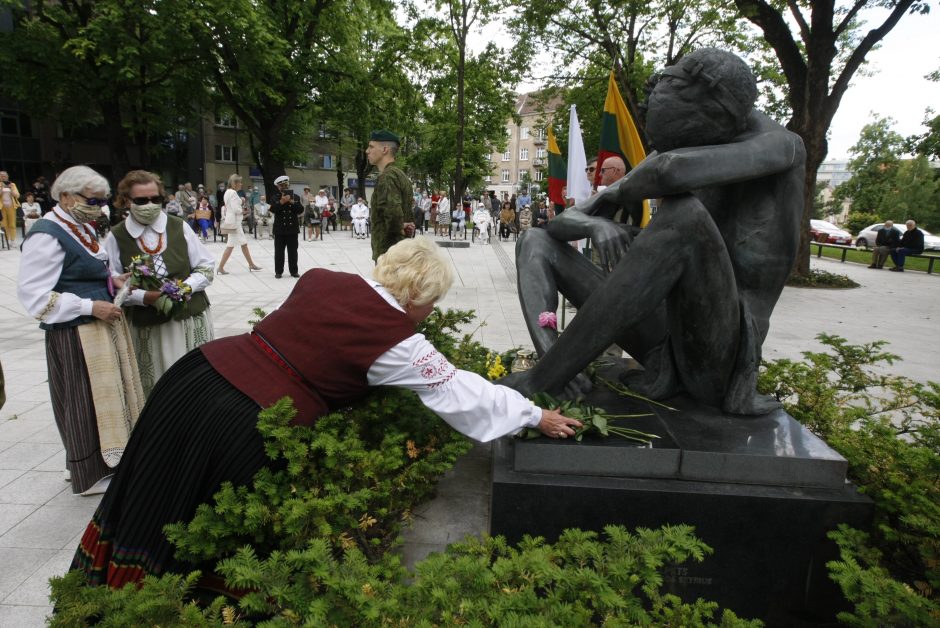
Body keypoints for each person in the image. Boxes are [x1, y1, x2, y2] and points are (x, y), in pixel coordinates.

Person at [71, 237, 582, 588]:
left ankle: (106, 589)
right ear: (417, 296)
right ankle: (162, 600)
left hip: (196, 376)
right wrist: (533, 415)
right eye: (433, 303)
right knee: (195, 514)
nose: (432, 314)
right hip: (244, 418)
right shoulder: (400, 343)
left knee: (148, 490)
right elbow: (460, 392)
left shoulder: (320, 278)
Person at [505, 48, 805, 416]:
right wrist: (596, 223)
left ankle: (541, 380)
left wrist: (625, 187)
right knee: (535, 240)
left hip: (719, 355)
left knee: (685, 217)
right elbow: (557, 224)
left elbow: (668, 173)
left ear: (716, 110)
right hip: (664, 341)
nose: (669, 147)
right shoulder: (686, 147)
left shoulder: (782, 147)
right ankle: (556, 366)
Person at [17, 165, 144, 495]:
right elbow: (35, 296)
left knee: (100, 397)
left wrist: (110, 281)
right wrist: (90, 306)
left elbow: (80, 273)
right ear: (66, 196)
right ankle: (86, 473)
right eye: (93, 200)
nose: (99, 207)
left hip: (95, 330)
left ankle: (105, 461)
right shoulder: (47, 233)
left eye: (102, 201)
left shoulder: (78, 227)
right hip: (76, 333)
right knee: (81, 400)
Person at [103, 170, 215, 397]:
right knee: (156, 384)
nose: (150, 204)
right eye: (141, 200)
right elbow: (111, 284)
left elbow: (206, 267)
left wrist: (185, 288)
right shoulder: (117, 236)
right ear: (126, 201)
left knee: (193, 382)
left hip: (188, 320)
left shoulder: (178, 226)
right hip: (147, 325)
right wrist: (145, 297)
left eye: (156, 199)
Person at [366, 129, 415, 261]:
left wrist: (399, 227)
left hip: (388, 253)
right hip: (401, 250)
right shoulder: (401, 175)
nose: (367, 151)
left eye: (371, 146)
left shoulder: (387, 177)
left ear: (384, 149)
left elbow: (392, 212)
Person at [216, 174, 263, 275]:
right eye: (240, 182)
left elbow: (230, 206)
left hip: (233, 222)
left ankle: (250, 264)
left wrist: (240, 202)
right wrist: (243, 210)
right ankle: (221, 267)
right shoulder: (233, 193)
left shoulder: (227, 192)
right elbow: (235, 209)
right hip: (235, 222)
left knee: (240, 244)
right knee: (233, 245)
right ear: (235, 183)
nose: (241, 184)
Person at [270, 175, 304, 278]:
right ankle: (278, 271)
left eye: (286, 185)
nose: (284, 187)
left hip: (292, 229)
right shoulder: (275, 197)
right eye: (282, 185)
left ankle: (294, 271)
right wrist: (281, 202)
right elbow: (272, 210)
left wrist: (292, 202)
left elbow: (300, 210)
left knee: (293, 251)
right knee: (279, 252)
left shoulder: (296, 197)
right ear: (278, 187)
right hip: (280, 229)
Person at [0, 171, 21, 246]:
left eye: (4, 176)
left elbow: (17, 195)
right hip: (2, 207)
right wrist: (2, 188)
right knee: (4, 224)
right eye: (1, 176)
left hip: (12, 206)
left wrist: (11, 189)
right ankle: (7, 239)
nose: (3, 177)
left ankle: (12, 240)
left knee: (12, 224)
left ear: (7, 176)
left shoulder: (12, 184)